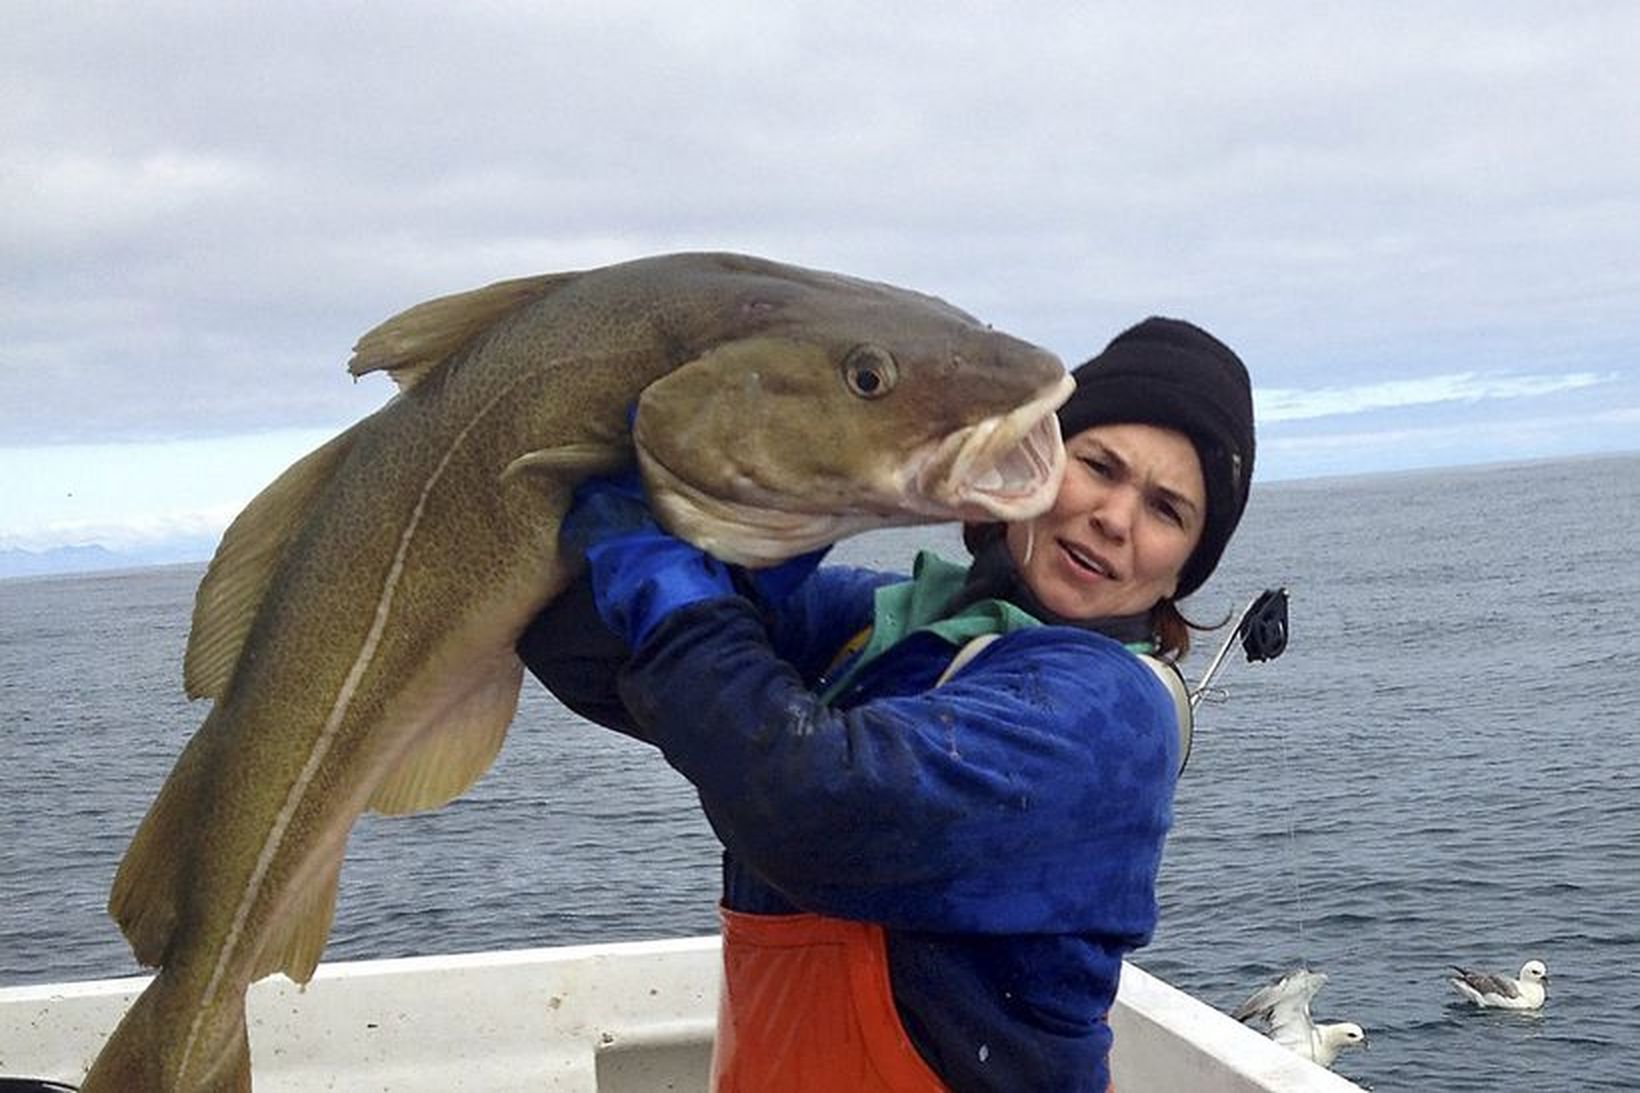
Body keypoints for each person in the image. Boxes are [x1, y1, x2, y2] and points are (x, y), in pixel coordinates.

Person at [517, 316, 1256, 1091]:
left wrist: (678, 596)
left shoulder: (1109, 716)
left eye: (1168, 510)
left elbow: (814, 810)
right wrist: (735, 540)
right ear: (1032, 462)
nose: (1115, 517)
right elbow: (587, 657)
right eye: (1099, 465)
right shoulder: (889, 625)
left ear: (1182, 574)